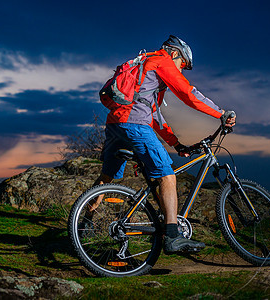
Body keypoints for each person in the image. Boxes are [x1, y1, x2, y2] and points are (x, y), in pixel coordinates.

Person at [86, 35, 236, 253]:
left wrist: (176, 143)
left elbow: (154, 114)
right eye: (182, 64)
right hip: (134, 124)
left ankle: (85, 223)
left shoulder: (145, 66)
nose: (181, 70)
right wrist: (220, 113)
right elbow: (188, 94)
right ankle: (173, 236)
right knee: (167, 174)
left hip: (115, 124)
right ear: (174, 53)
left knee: (106, 177)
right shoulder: (163, 61)